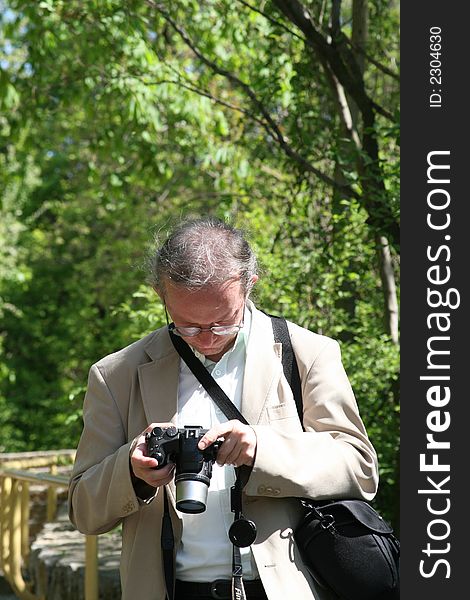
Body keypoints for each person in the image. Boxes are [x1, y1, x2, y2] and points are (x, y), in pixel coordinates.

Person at [68, 216, 379, 600]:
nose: (207, 338)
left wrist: (260, 449)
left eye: (223, 322)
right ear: (160, 294)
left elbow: (359, 467)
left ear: (250, 284)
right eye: (187, 325)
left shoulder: (307, 354)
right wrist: (132, 472)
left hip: (282, 588)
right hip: (167, 589)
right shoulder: (116, 375)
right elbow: (82, 509)